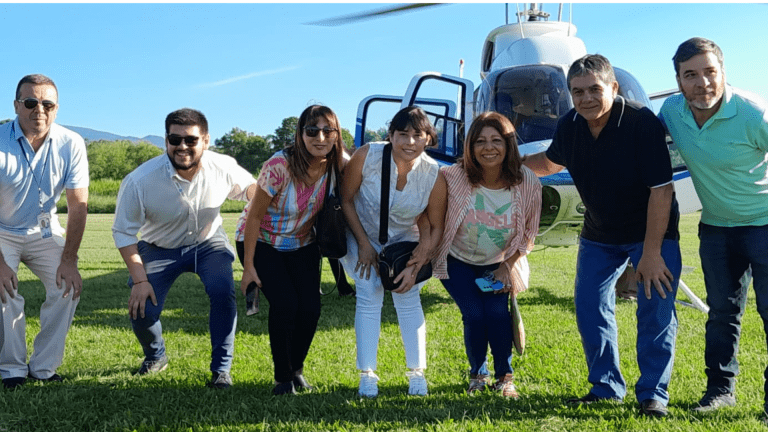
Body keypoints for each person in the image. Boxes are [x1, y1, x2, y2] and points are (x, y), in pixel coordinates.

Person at [523, 54, 682, 418]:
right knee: (590, 308)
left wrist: (652, 253)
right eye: (577, 92)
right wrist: (506, 165)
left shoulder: (642, 123)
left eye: (595, 89)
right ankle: (607, 387)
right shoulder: (570, 125)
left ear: (613, 87)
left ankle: (653, 394)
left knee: (655, 311)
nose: (586, 99)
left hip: (650, 233)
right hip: (599, 235)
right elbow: (551, 162)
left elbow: (662, 191)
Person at [658, 37, 768, 415]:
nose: (702, 83)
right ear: (678, 80)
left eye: (710, 72)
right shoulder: (672, 112)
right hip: (717, 230)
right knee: (722, 314)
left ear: (723, 72)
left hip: (765, 225)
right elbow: (642, 148)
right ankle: (720, 391)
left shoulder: (754, 113)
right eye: (691, 75)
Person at [113, 108, 257, 389]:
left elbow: (251, 188)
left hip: (208, 243)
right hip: (158, 247)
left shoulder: (222, 165)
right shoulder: (140, 180)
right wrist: (140, 280)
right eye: (174, 139)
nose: (182, 147)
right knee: (143, 310)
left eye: (190, 140)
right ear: (165, 140)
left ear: (205, 140)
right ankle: (156, 357)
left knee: (222, 291)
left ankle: (221, 370)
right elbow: (123, 231)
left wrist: (256, 205)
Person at [240, 105, 348, 395]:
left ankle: (296, 369)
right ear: (300, 134)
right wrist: (248, 267)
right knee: (286, 304)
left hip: (303, 242)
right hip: (262, 240)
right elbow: (254, 216)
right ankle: (282, 379)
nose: (320, 137)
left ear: (337, 135)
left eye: (328, 130)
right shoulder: (279, 165)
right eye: (312, 131)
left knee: (311, 309)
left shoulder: (338, 164)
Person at [340, 106, 447, 398]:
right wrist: (363, 244)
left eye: (417, 135)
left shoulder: (434, 174)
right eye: (402, 134)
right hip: (360, 231)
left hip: (404, 240)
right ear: (390, 135)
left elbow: (435, 224)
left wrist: (418, 261)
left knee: (407, 295)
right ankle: (368, 375)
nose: (409, 142)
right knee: (369, 291)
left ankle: (417, 374)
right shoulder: (367, 156)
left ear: (428, 139)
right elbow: (346, 200)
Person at [433, 112, 541, 398]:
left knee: (496, 314)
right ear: (470, 146)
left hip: (498, 263)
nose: (488, 147)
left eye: (496, 140)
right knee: (474, 314)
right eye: (480, 141)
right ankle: (478, 374)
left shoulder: (527, 181)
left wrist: (508, 266)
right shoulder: (451, 176)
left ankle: (505, 376)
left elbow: (529, 233)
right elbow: (432, 218)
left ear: (508, 145)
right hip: (457, 261)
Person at [0, 74, 89, 388]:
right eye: (31, 102)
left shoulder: (71, 143)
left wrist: (70, 260)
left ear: (56, 108)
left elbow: (78, 206)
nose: (39, 109)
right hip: (2, 232)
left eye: (47, 103)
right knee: (3, 290)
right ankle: (10, 369)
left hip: (45, 232)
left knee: (67, 286)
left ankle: (44, 368)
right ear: (16, 105)